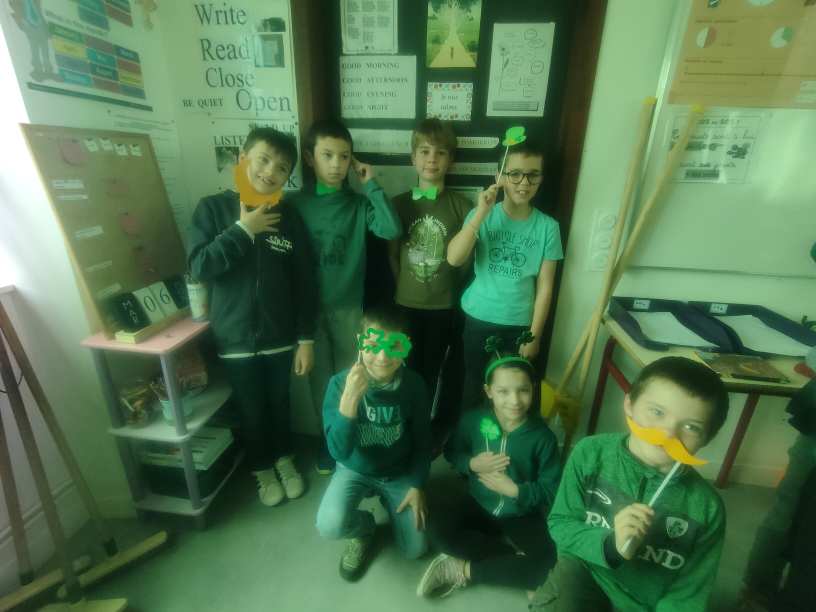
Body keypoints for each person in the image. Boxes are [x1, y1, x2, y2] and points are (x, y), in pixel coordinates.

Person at [532, 356, 730, 612]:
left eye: (691, 426)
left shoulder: (707, 507)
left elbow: (689, 591)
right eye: (657, 412)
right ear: (629, 405)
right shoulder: (590, 453)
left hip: (643, 603)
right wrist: (611, 546)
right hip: (586, 573)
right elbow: (562, 523)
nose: (668, 434)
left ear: (708, 438)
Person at [188, 127, 316, 507]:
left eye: (282, 167)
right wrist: (243, 230)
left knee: (280, 403)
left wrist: (305, 338)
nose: (270, 171)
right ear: (242, 158)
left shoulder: (289, 217)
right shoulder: (212, 209)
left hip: (280, 337)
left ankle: (284, 459)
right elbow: (199, 266)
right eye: (263, 160)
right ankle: (261, 469)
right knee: (251, 409)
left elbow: (304, 281)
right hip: (234, 337)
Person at [291, 120, 401, 474]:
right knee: (320, 383)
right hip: (308, 312)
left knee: (351, 377)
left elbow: (391, 228)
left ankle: (352, 441)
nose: (336, 164)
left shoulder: (358, 204)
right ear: (310, 158)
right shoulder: (294, 204)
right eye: (327, 155)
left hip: (349, 309)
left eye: (344, 156)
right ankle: (328, 443)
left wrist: (371, 184)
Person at [417, 347, 560, 599]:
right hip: (478, 502)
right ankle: (516, 564)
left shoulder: (543, 438)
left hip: (521, 513)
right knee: (435, 526)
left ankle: (464, 569)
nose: (514, 401)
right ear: (488, 391)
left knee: (552, 563)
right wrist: (471, 464)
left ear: (533, 389)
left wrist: (515, 491)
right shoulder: (472, 421)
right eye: (503, 391)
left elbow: (551, 490)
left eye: (523, 390)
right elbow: (452, 451)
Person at [315, 305, 431, 581]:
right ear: (360, 342)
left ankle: (392, 503)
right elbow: (338, 451)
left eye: (394, 346)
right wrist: (349, 402)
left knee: (416, 549)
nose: (382, 356)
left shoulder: (414, 385)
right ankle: (365, 528)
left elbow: (423, 441)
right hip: (354, 468)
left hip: (397, 471)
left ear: (406, 347)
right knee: (329, 525)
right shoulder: (339, 384)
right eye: (374, 345)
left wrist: (417, 484)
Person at [447, 140, 563, 414]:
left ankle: (507, 439)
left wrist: (534, 336)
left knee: (514, 394)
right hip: (479, 318)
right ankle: (469, 439)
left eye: (533, 175)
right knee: (475, 386)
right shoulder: (482, 215)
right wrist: (482, 213)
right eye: (515, 174)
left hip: (520, 326)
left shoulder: (548, 227)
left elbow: (546, 287)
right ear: (499, 176)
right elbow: (454, 258)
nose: (524, 182)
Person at [387, 118, 472, 449]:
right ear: (413, 158)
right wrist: (404, 288)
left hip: (442, 308)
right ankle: (400, 428)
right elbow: (393, 255)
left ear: (451, 160)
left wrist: (445, 289)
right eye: (424, 151)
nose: (432, 159)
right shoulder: (399, 204)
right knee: (401, 370)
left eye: (440, 153)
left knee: (432, 373)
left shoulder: (462, 206)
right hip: (405, 306)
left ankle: (422, 431)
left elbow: (464, 264)